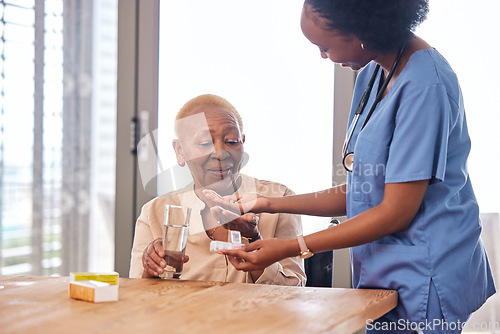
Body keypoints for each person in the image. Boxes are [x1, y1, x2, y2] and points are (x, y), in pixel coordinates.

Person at [206, 1, 496, 332]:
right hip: (385, 274)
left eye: (324, 46)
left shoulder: (425, 85)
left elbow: (395, 211)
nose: (322, 56)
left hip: (426, 272)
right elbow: (363, 190)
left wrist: (291, 247)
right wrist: (268, 203)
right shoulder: (372, 74)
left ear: (362, 30)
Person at [129, 94, 305, 286]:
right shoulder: (154, 213)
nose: (220, 153)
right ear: (180, 151)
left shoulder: (280, 200)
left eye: (231, 141)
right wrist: (151, 269)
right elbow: (138, 297)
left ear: (243, 143)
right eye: (205, 143)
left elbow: (294, 290)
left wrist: (253, 240)